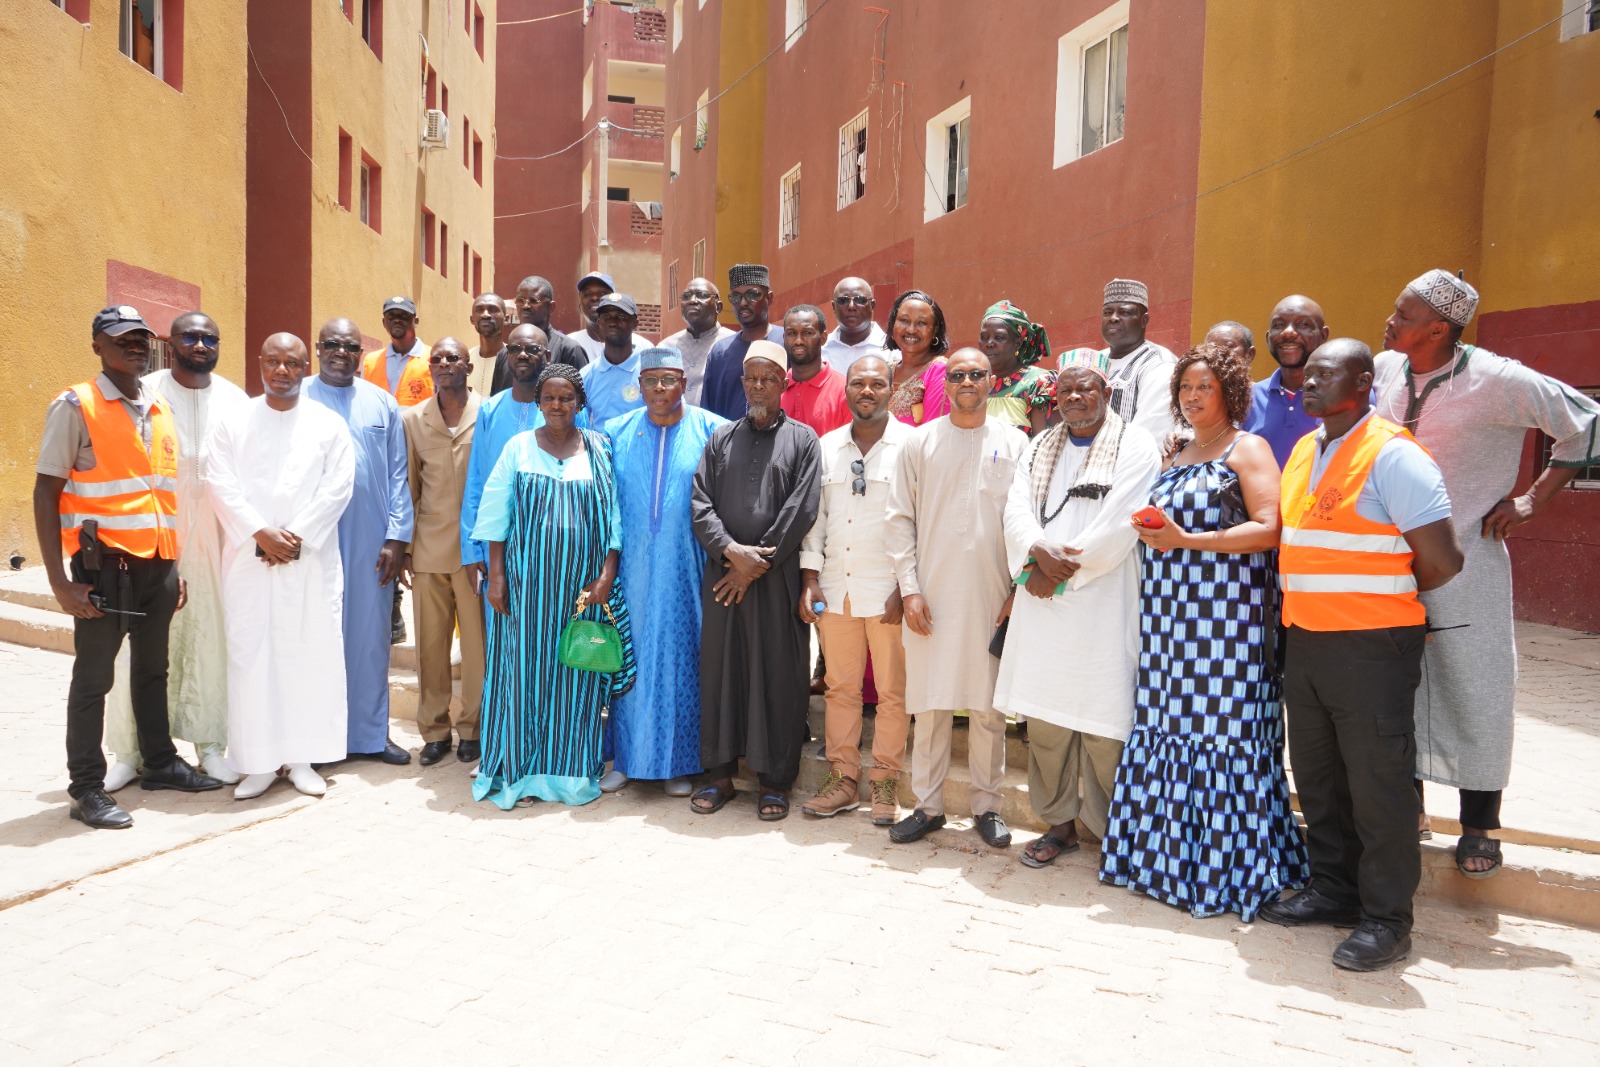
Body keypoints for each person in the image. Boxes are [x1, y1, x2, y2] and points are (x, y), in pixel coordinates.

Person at [1376, 270, 1600, 878]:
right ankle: (1411, 812)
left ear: (1438, 328)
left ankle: (1479, 828)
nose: (1390, 320)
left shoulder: (1499, 378)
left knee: (1475, 687)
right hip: (1387, 564)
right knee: (1395, 689)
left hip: (1468, 560)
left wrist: (1532, 500)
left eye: (1403, 312)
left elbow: (1587, 421)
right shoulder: (1385, 370)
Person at [1261, 338, 1463, 972]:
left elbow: (1442, 561)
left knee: (1378, 786)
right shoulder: (1304, 449)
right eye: (1309, 375)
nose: (1312, 383)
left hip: (1373, 647)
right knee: (1319, 778)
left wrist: (1370, 602)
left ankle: (1386, 920)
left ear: (1365, 381)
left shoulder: (1394, 456)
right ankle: (1334, 891)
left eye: (1328, 373)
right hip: (1307, 641)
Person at [1098, 343, 1309, 919]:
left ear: (1231, 393)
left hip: (1226, 623)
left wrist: (1188, 541)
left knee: (1224, 735)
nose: (1192, 398)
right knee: (1167, 727)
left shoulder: (1249, 448)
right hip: (1169, 620)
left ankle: (1226, 870)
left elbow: (1270, 530)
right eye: (1185, 389)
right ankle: (1162, 861)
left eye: (1204, 388)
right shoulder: (1178, 453)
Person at [33, 306, 224, 828]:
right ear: (98, 345)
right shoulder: (76, 406)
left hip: (158, 568)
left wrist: (174, 567)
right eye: (122, 340)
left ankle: (160, 762)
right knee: (93, 679)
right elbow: (46, 493)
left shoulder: (157, 410)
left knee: (153, 671)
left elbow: (160, 496)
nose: (135, 347)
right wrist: (59, 582)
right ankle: (86, 788)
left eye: (141, 340)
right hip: (103, 570)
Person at [992, 351, 1160, 867]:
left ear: (1106, 393)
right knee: (1044, 724)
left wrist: (1053, 573)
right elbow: (1016, 508)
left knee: (1106, 726)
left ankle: (1115, 836)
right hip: (1042, 602)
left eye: (1086, 390)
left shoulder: (1135, 445)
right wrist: (1035, 556)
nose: (1075, 399)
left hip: (1103, 602)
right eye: (1065, 391)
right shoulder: (1040, 444)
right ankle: (1059, 825)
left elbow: (1119, 525)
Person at [472, 363, 636, 808]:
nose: (558, 405)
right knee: (521, 676)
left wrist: (606, 575)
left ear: (580, 403)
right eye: (549, 398)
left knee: (576, 680)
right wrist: (498, 577)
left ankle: (568, 775)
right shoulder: (518, 448)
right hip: (526, 588)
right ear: (539, 402)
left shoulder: (600, 450)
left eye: (566, 398)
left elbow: (614, 521)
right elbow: (494, 515)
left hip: (581, 591)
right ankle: (517, 774)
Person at [884, 347, 1027, 848]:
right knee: (931, 704)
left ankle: (988, 807)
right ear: (948, 383)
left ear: (993, 381)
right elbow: (899, 518)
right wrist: (910, 588)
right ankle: (928, 807)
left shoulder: (1014, 443)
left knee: (989, 709)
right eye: (959, 374)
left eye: (977, 375)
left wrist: (1017, 591)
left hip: (992, 594)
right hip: (931, 596)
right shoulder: (920, 442)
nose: (967, 381)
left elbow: (1026, 521)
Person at [102, 312, 250, 790]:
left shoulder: (235, 400)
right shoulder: (144, 394)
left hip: (216, 542)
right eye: (191, 336)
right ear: (173, 342)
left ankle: (211, 746)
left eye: (210, 337)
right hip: (153, 540)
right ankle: (131, 751)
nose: (201, 344)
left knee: (211, 639)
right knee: (139, 648)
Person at [206, 334, 356, 799]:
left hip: (308, 561)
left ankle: (302, 758)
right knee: (252, 657)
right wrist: (259, 533)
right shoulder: (233, 421)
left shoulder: (327, 424)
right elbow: (219, 482)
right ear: (260, 364)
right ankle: (257, 762)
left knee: (307, 654)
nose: (283, 371)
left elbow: (338, 487)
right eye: (273, 362)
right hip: (249, 562)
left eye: (292, 363)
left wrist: (295, 537)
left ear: (304, 366)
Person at [690, 340, 822, 820]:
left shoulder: (804, 441)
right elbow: (700, 503)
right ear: (743, 382)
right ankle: (719, 776)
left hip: (775, 580)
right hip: (724, 574)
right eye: (752, 378)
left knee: (777, 675)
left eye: (769, 378)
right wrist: (730, 552)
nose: (759, 386)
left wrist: (753, 565)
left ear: (784, 382)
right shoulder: (721, 438)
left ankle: (774, 782)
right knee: (721, 673)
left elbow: (801, 509)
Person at [602, 348, 728, 795]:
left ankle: (678, 763)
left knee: (679, 657)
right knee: (624, 657)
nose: (659, 389)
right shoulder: (614, 433)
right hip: (629, 570)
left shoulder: (712, 430)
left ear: (684, 384)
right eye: (650, 380)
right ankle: (622, 758)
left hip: (686, 569)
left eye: (669, 379)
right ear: (639, 387)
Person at [799, 355, 912, 825]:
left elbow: (918, 522)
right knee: (841, 690)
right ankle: (842, 780)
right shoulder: (826, 447)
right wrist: (809, 578)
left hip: (888, 591)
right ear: (847, 390)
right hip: (835, 588)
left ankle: (885, 782)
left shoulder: (912, 445)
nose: (867, 391)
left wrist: (906, 588)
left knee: (892, 693)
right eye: (859, 383)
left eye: (877, 383)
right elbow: (815, 521)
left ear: (892, 389)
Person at [305, 318, 415, 765]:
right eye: (331, 344)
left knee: (370, 640)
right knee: (316, 637)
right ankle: (314, 739)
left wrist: (396, 537)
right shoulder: (298, 398)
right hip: (314, 538)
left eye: (351, 346)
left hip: (371, 540)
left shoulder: (382, 403)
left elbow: (397, 473)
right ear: (317, 349)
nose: (341, 353)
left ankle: (370, 735)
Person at [402, 338, 486, 766]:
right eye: (436, 359)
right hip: (429, 550)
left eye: (453, 358)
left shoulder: (487, 413)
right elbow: (409, 488)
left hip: (475, 557)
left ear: (468, 366)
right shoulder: (413, 420)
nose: (444, 364)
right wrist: (404, 547)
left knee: (477, 648)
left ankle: (472, 728)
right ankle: (434, 731)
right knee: (430, 649)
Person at [461, 324, 591, 582]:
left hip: (554, 547)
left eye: (532, 349)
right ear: (506, 355)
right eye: (514, 349)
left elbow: (586, 481)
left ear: (548, 356)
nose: (522, 355)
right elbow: (476, 480)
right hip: (495, 545)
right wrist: (470, 548)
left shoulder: (569, 412)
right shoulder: (490, 410)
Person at [1240, 295, 1331, 468]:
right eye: (1278, 325)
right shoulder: (1247, 398)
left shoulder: (1344, 395)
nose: (1288, 332)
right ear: (1268, 338)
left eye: (1303, 324)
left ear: (1323, 335)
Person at [700, 263, 786, 421]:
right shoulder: (720, 352)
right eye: (736, 297)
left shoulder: (787, 341)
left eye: (752, 295)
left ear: (769, 298)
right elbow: (708, 412)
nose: (743, 303)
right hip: (729, 443)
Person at [1098, 279, 1176, 440]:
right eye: (1107, 312)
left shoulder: (1159, 363)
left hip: (1130, 461)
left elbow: (1149, 434)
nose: (1113, 318)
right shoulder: (1094, 360)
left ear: (1144, 320)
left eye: (1124, 312)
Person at [979, 300, 1057, 436]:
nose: (989, 343)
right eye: (984, 337)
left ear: (1017, 343)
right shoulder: (976, 382)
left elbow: (1043, 445)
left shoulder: (1039, 383)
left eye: (999, 337)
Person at [883, 290, 953, 427]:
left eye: (921, 323)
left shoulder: (941, 371)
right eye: (904, 320)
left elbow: (933, 433)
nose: (911, 329)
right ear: (893, 325)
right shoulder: (884, 370)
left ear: (935, 331)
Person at [660, 276, 734, 405]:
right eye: (686, 296)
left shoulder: (733, 344)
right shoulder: (665, 348)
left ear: (719, 307)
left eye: (702, 295)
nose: (692, 301)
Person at [779, 304, 849, 436]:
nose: (798, 341)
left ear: (823, 338)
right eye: (792, 333)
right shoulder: (776, 388)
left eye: (807, 333)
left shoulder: (844, 391)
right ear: (784, 338)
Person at [579, 293, 646, 427]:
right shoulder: (586, 375)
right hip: (598, 446)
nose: (613, 322)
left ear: (635, 323)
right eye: (606, 317)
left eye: (621, 317)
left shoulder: (649, 370)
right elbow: (580, 423)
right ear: (599, 322)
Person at [364, 296, 434, 408]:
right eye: (391, 316)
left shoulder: (434, 358)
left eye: (403, 315)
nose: (397, 320)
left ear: (415, 321)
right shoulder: (370, 362)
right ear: (384, 322)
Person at [512, 275, 588, 369]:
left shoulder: (569, 350)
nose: (525, 306)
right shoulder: (508, 352)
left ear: (551, 307)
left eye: (533, 301)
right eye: (520, 301)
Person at [571, 271, 648, 364]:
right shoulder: (570, 344)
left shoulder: (643, 347)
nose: (594, 298)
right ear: (579, 304)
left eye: (603, 293)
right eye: (587, 294)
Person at [821, 276, 887, 374]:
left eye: (860, 300)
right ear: (834, 307)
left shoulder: (891, 349)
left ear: (872, 306)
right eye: (843, 301)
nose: (851, 306)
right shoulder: (820, 350)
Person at [467, 293, 511, 396]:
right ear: (472, 319)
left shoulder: (515, 360)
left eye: (492, 310)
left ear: (506, 319)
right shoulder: (465, 360)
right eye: (479, 310)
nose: (485, 315)